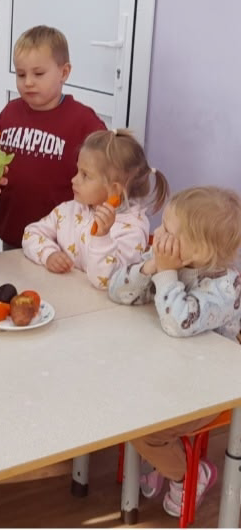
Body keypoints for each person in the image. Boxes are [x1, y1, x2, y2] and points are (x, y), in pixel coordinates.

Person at [108, 186, 241, 517]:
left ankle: (188, 475)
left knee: (144, 432)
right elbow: (117, 290)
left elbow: (178, 322)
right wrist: (150, 268)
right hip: (169, 375)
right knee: (119, 402)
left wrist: (166, 273)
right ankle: (164, 463)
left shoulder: (225, 288)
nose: (158, 233)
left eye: (168, 230)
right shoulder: (172, 261)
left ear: (199, 251)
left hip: (207, 392)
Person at [0, 25, 106, 249]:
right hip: (14, 237)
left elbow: (109, 169)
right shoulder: (10, 112)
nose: (28, 82)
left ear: (64, 72)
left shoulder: (83, 121)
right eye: (21, 74)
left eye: (38, 74)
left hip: (63, 243)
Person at [22, 128, 168, 289]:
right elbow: (31, 234)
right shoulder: (70, 210)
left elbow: (107, 281)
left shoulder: (132, 230)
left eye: (85, 175)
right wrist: (48, 254)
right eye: (78, 171)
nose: (74, 179)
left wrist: (103, 237)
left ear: (114, 189)